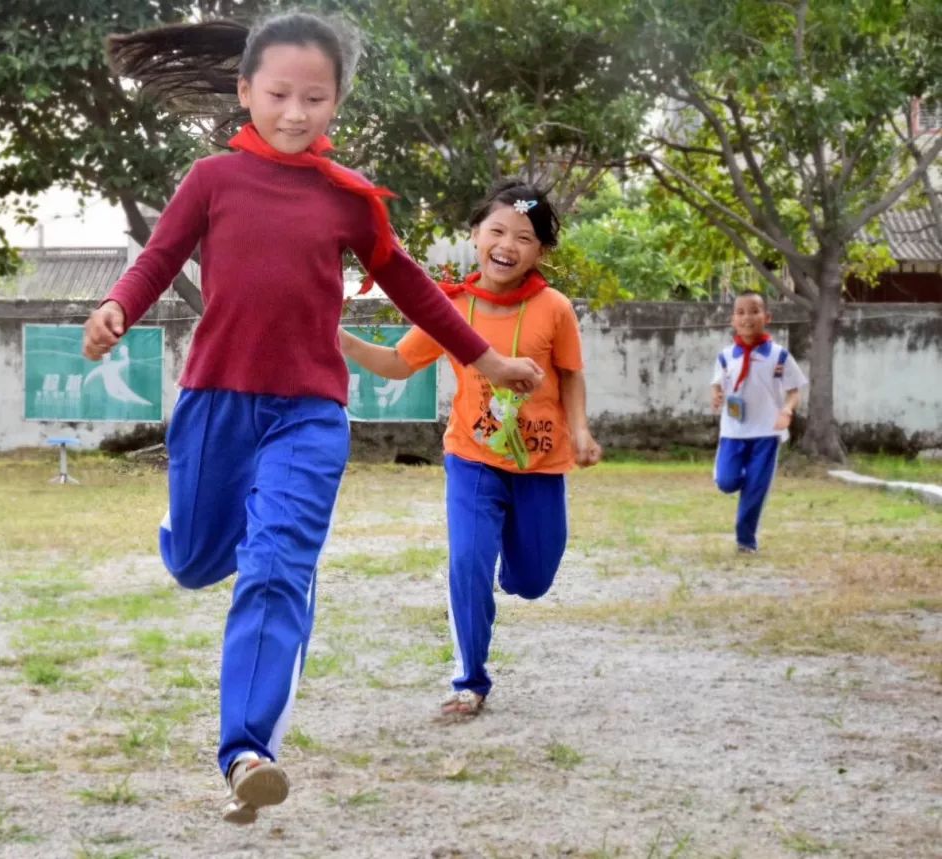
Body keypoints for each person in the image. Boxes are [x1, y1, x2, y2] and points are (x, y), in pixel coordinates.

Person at [82, 13, 543, 825]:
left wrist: (485, 358)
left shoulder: (348, 198)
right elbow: (157, 257)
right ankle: (200, 537)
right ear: (245, 92)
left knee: (274, 568)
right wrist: (119, 304)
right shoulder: (211, 180)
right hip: (216, 404)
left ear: (338, 102)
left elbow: (409, 285)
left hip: (309, 412)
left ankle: (246, 752)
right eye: (280, 95)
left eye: (315, 98)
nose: (297, 112)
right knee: (194, 562)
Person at [339, 179, 601, 720]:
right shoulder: (449, 307)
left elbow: (571, 376)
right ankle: (470, 682)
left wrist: (581, 431)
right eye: (497, 230)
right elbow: (396, 364)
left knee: (532, 580)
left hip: (539, 463)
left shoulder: (555, 308)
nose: (508, 244)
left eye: (524, 237)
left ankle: (510, 564)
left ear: (541, 250)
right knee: (467, 563)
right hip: (471, 458)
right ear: (476, 234)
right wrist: (335, 336)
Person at [710, 291, 807, 553]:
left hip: (766, 432)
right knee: (726, 482)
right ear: (733, 320)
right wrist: (717, 394)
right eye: (740, 312)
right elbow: (717, 384)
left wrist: (786, 410)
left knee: (756, 489)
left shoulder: (779, 356)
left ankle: (746, 541)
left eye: (754, 311)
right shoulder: (726, 356)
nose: (747, 318)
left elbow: (795, 390)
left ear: (767, 317)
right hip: (733, 431)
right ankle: (736, 478)